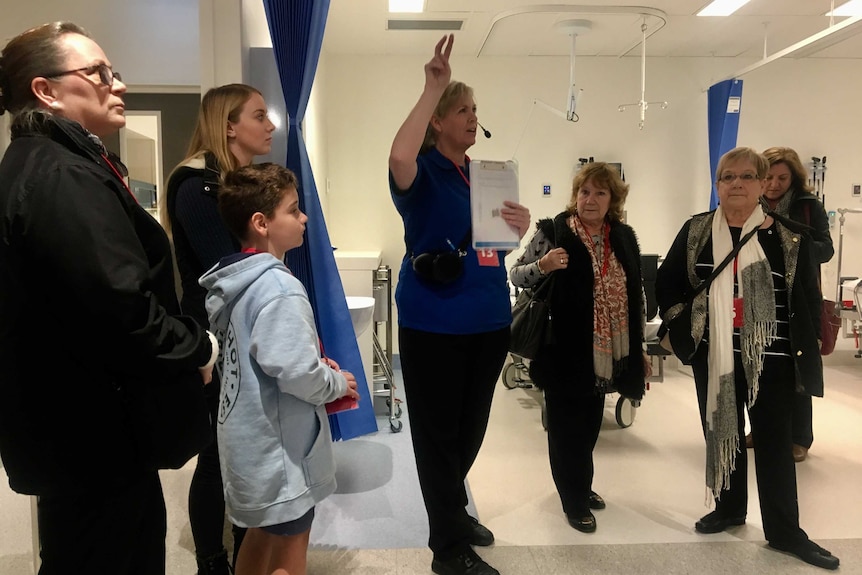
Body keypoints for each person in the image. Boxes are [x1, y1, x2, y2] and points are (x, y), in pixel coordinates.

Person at [0, 22, 217, 574]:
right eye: (98, 73)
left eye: (113, 72)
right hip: (93, 441)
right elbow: (122, 310)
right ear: (47, 91)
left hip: (80, 435)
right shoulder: (60, 176)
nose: (117, 84)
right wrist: (199, 347)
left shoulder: (51, 166)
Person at [655, 147, 839, 570]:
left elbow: (807, 298)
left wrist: (808, 347)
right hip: (713, 355)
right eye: (727, 177)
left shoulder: (790, 237)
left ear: (761, 185)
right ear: (717, 185)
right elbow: (667, 285)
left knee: (774, 445)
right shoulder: (697, 231)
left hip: (771, 360)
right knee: (723, 432)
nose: (736, 183)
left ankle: (785, 531)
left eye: (745, 177)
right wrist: (683, 323)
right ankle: (728, 508)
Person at [388, 34, 531, 575]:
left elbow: (491, 248)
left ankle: (452, 509)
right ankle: (447, 547)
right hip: (434, 321)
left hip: (490, 317)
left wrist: (515, 232)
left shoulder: (484, 174)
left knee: (470, 429)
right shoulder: (421, 173)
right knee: (438, 434)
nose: (472, 116)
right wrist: (434, 87)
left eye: (475, 109)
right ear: (439, 121)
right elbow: (399, 154)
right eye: (462, 109)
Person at [199, 163, 359, 575]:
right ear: (262, 223)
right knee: (290, 551)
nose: (303, 218)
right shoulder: (279, 288)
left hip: (250, 446)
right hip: (281, 456)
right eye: (293, 210)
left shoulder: (236, 285)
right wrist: (336, 382)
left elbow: (268, 359)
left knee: (259, 537)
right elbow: (299, 376)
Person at [163, 83, 275, 574]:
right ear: (229, 125)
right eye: (259, 115)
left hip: (240, 335)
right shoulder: (196, 185)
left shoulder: (228, 182)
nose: (270, 125)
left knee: (244, 452)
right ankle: (212, 562)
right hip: (215, 341)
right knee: (216, 457)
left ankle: (245, 552)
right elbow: (227, 270)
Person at [509, 162, 648, 534]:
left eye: (600, 193)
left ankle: (581, 486)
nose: (590, 199)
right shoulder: (553, 232)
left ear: (612, 200)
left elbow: (638, 294)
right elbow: (517, 274)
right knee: (565, 427)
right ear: (575, 196)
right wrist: (544, 264)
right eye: (585, 191)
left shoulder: (622, 237)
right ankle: (572, 498)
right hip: (562, 350)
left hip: (606, 353)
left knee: (588, 425)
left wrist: (642, 348)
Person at [743, 146, 834, 463]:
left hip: (797, 296)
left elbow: (826, 248)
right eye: (768, 177)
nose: (773, 184)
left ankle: (799, 437)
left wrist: (795, 245)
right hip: (757, 294)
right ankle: (760, 428)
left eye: (782, 177)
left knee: (797, 366)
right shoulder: (749, 204)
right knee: (758, 365)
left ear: (794, 177)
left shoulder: (808, 207)